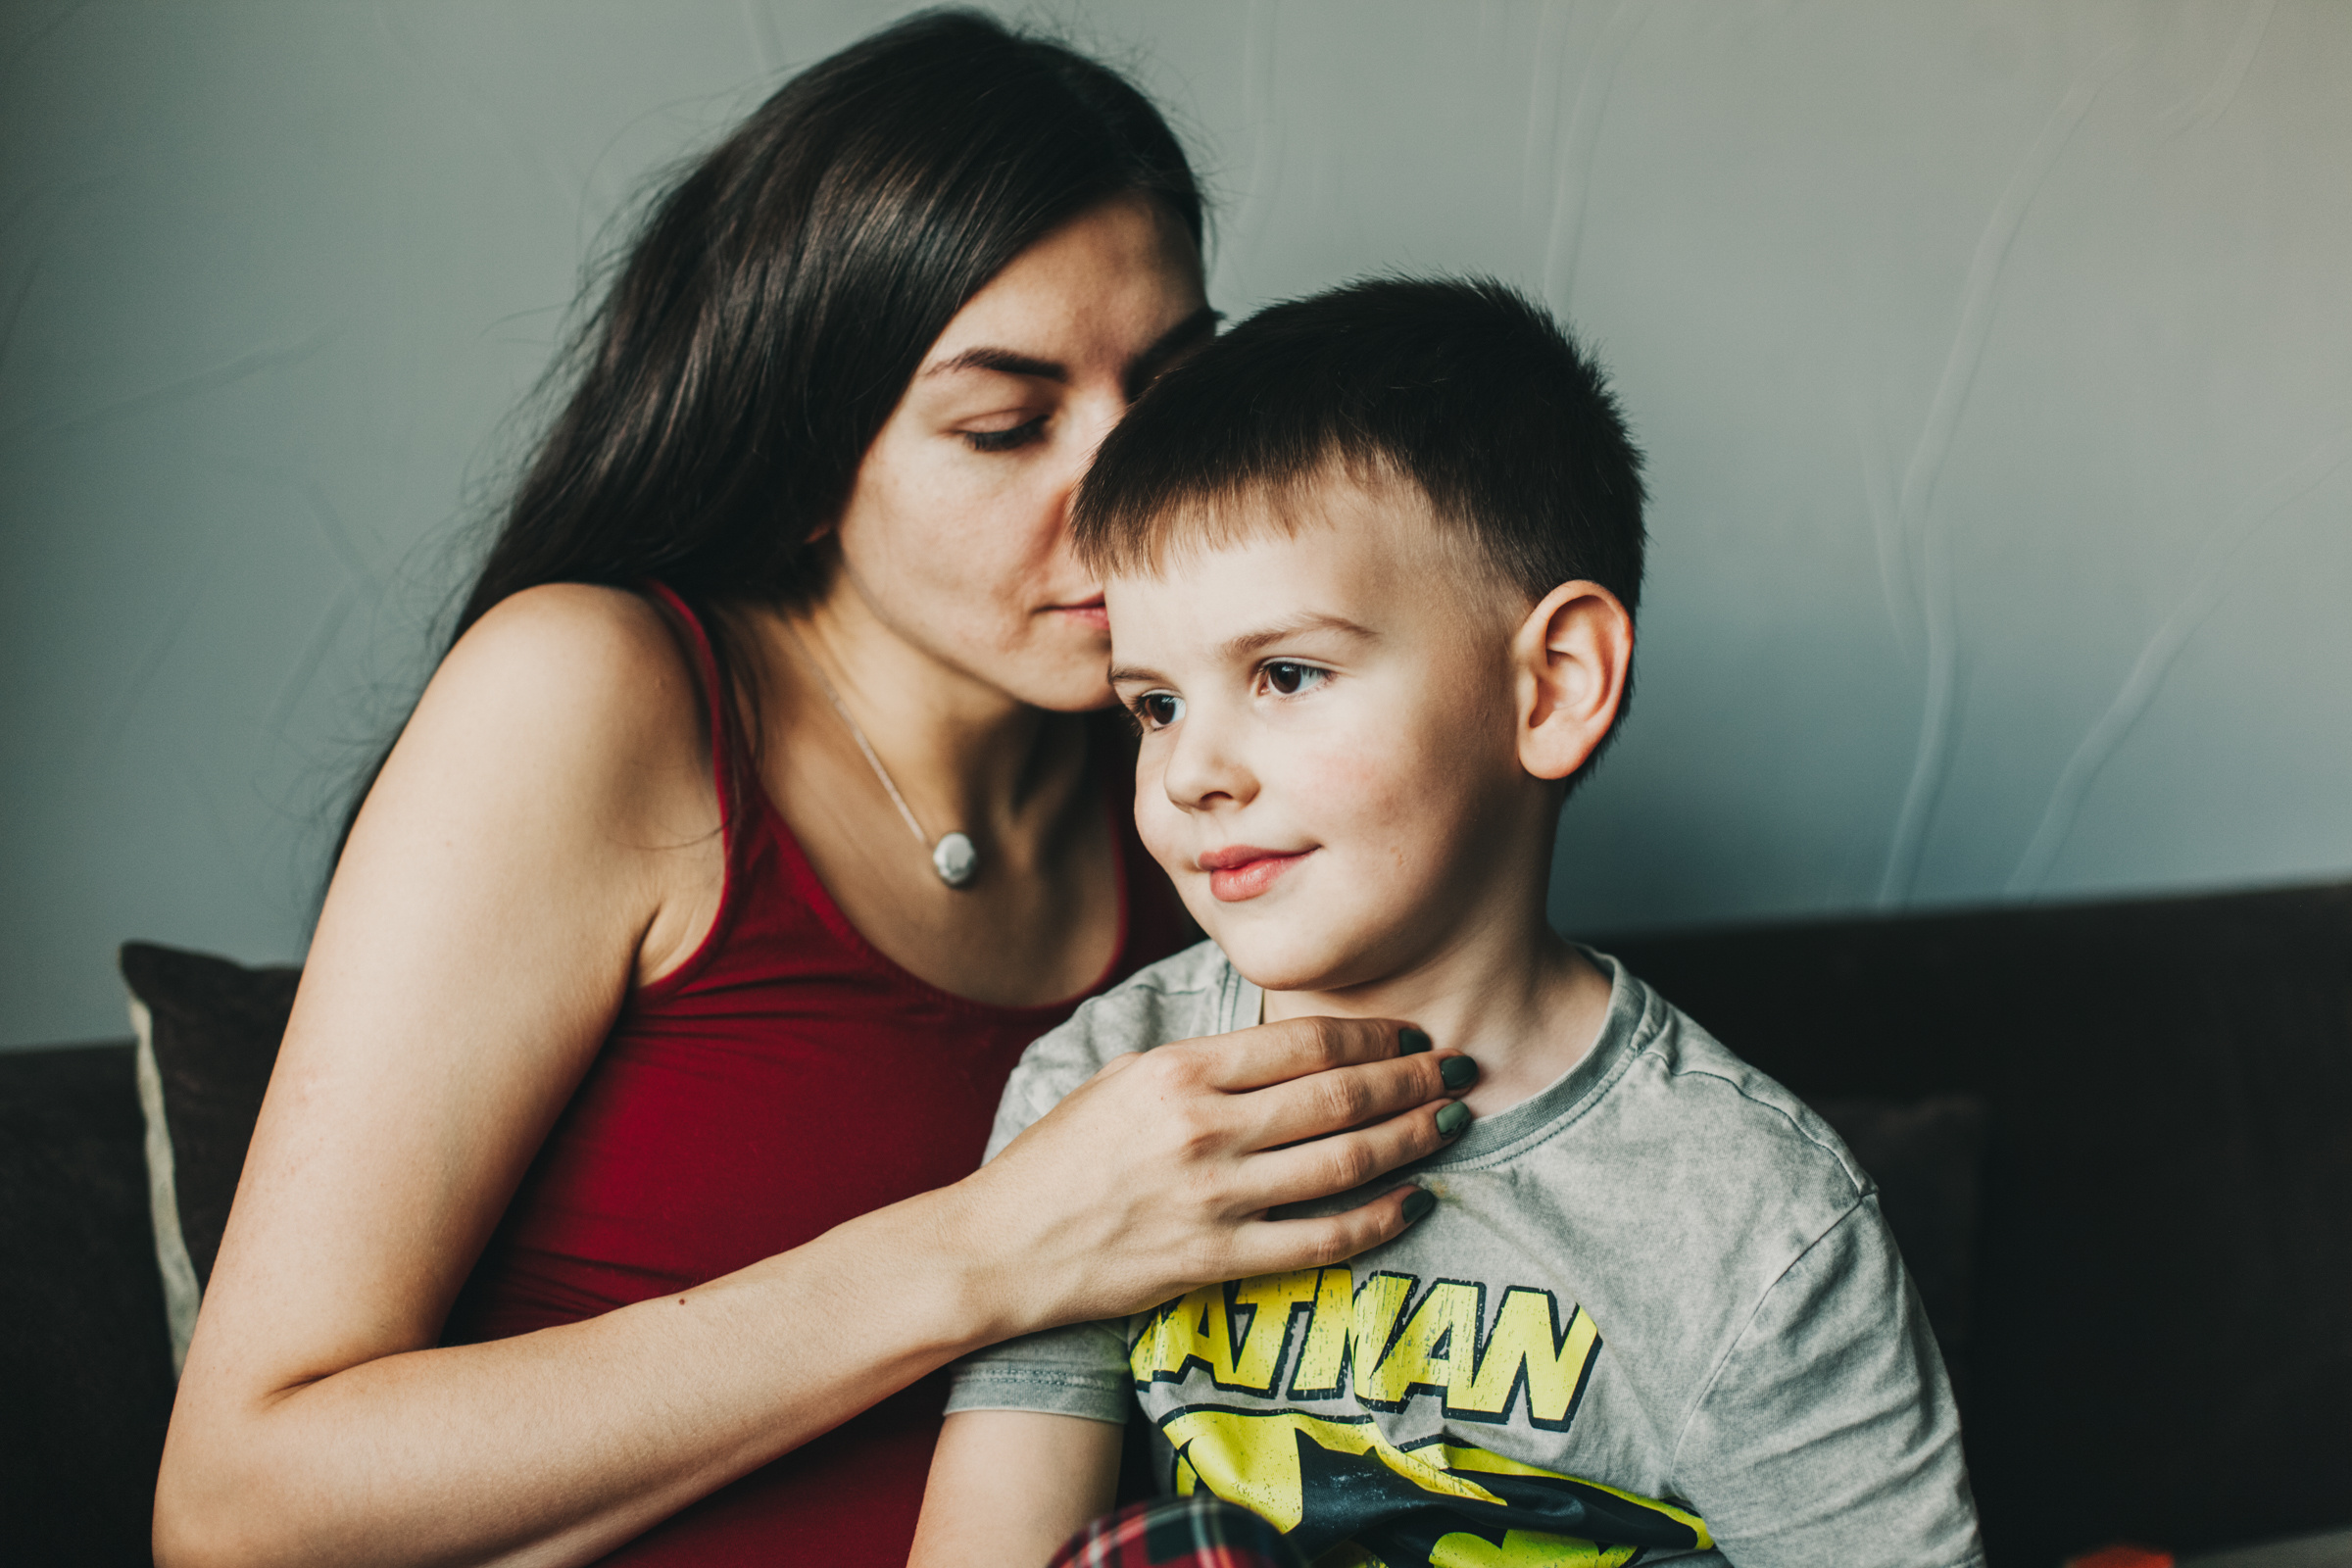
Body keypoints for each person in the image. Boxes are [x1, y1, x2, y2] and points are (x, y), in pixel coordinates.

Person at [149, 17, 1474, 1568]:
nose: (1123, 492)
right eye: (1004, 424)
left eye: (1173, 392)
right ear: (803, 439)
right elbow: (236, 1513)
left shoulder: (1218, 790)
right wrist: (993, 1252)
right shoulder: (595, 696)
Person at [912, 278, 1986, 1567]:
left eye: (1286, 674)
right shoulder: (1099, 1092)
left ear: (1553, 687)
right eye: (1152, 705)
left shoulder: (1750, 1218)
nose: (1192, 770)